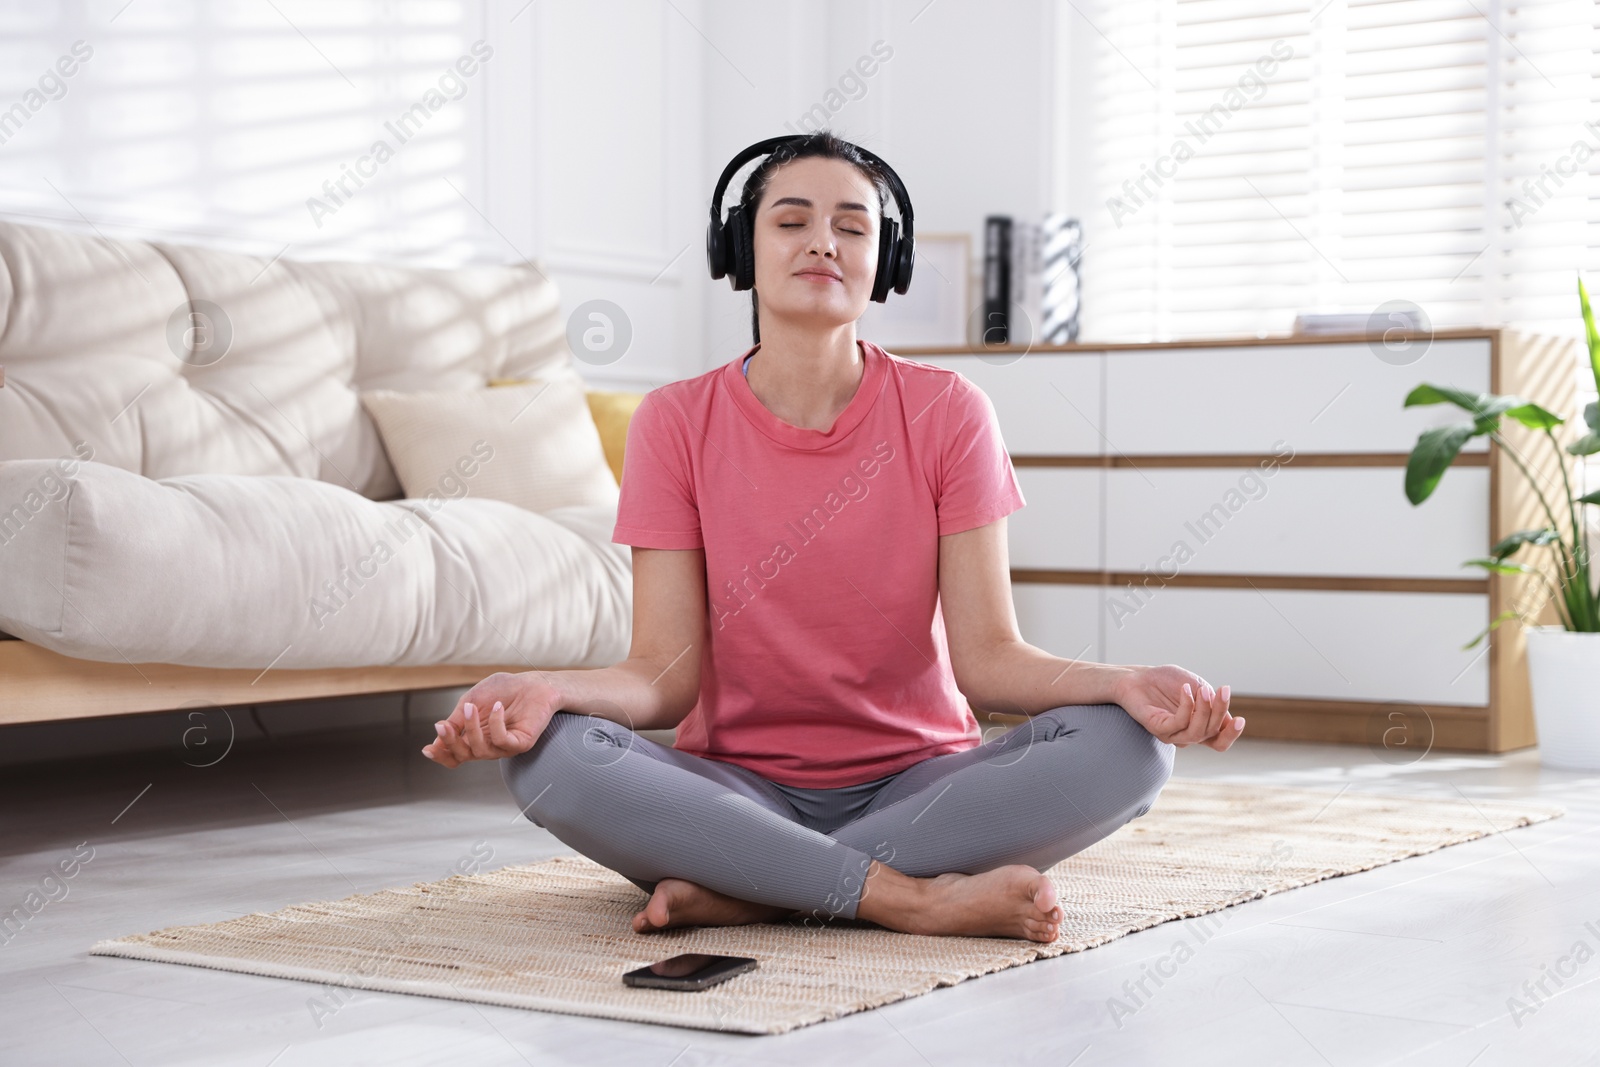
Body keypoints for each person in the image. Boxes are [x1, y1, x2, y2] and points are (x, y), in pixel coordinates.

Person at [421, 131, 1244, 945]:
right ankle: (907, 899)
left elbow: (991, 659)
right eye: (792, 220)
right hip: (734, 791)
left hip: (923, 788)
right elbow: (661, 680)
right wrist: (547, 690)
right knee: (549, 759)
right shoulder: (674, 421)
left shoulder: (947, 410)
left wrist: (1126, 681)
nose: (824, 240)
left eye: (853, 226)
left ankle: (757, 885)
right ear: (741, 246)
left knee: (1132, 751)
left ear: (884, 259)